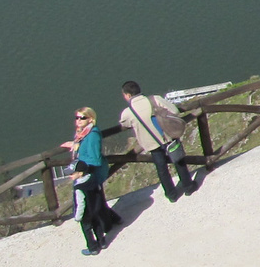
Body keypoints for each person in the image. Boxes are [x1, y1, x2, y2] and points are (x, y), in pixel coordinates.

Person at [119, 82, 195, 202]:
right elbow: (175, 111)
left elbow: (124, 123)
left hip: (151, 144)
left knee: (162, 169)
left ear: (128, 95)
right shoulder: (154, 99)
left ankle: (171, 195)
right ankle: (188, 187)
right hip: (167, 137)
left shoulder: (127, 112)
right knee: (179, 161)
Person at [61, 107, 121, 256]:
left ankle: (93, 245)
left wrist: (80, 173)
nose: (78, 120)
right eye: (77, 118)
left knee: (88, 212)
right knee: (96, 205)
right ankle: (104, 235)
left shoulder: (92, 135)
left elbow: (94, 158)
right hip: (87, 174)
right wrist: (75, 145)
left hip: (89, 176)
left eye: (82, 118)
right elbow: (85, 149)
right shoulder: (83, 134)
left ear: (90, 119)